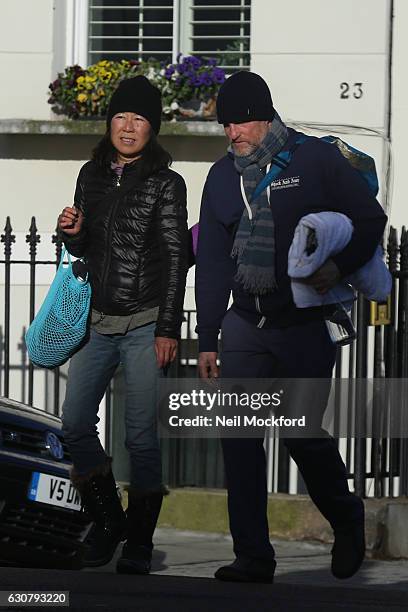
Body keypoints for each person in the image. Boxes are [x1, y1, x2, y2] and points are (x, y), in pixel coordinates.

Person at [195, 71, 387, 583]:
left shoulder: (314, 160)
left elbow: (369, 220)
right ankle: (253, 557)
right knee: (238, 438)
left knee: (302, 435)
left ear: (265, 116)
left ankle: (347, 519)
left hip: (303, 324)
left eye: (240, 121)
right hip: (243, 325)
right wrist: (208, 338)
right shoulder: (220, 178)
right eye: (225, 123)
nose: (232, 132)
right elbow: (213, 261)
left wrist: (339, 267)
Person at [58, 76, 189, 574]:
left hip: (145, 322)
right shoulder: (90, 174)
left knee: (140, 437)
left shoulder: (166, 182)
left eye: (138, 119)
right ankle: (111, 522)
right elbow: (84, 247)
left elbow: (178, 257)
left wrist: (168, 328)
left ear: (151, 129)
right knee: (73, 424)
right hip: (97, 319)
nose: (128, 127)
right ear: (108, 123)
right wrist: (70, 233)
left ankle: (138, 542)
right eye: (120, 118)